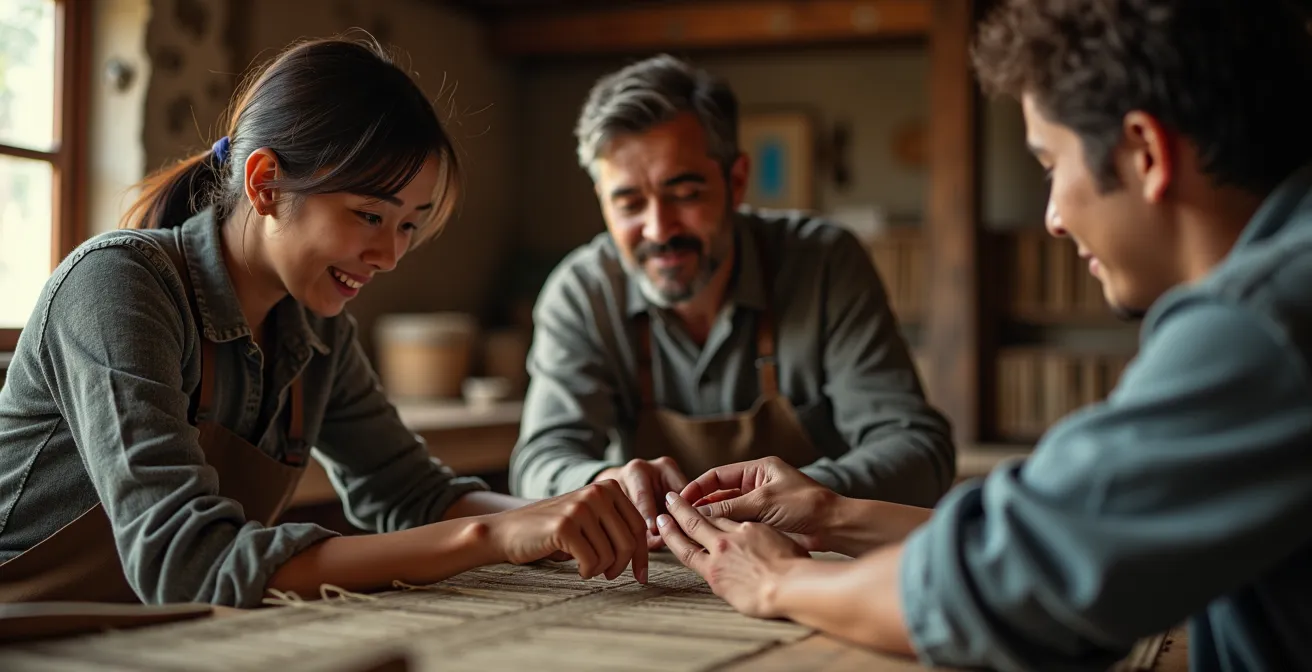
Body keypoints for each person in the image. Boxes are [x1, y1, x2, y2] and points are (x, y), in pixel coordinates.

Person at [655, 0, 1312, 670]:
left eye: (1051, 164)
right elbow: (1058, 535)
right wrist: (828, 513)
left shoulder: (1259, 325)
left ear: (1145, 152)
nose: (1053, 218)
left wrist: (777, 581)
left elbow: (1012, 582)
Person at [0, 36, 648, 608]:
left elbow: (413, 493)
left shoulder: (316, 330)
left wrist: (570, 516)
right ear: (265, 184)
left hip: (153, 637)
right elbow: (188, 562)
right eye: (370, 215)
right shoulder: (118, 284)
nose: (390, 256)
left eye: (408, 226)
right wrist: (490, 536)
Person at [508, 54, 956, 545]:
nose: (658, 230)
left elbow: (919, 451)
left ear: (737, 181)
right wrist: (602, 485)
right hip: (652, 567)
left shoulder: (824, 265)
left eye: (685, 194)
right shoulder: (581, 293)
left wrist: (813, 497)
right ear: (602, 199)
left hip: (810, 560)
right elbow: (538, 463)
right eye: (630, 203)